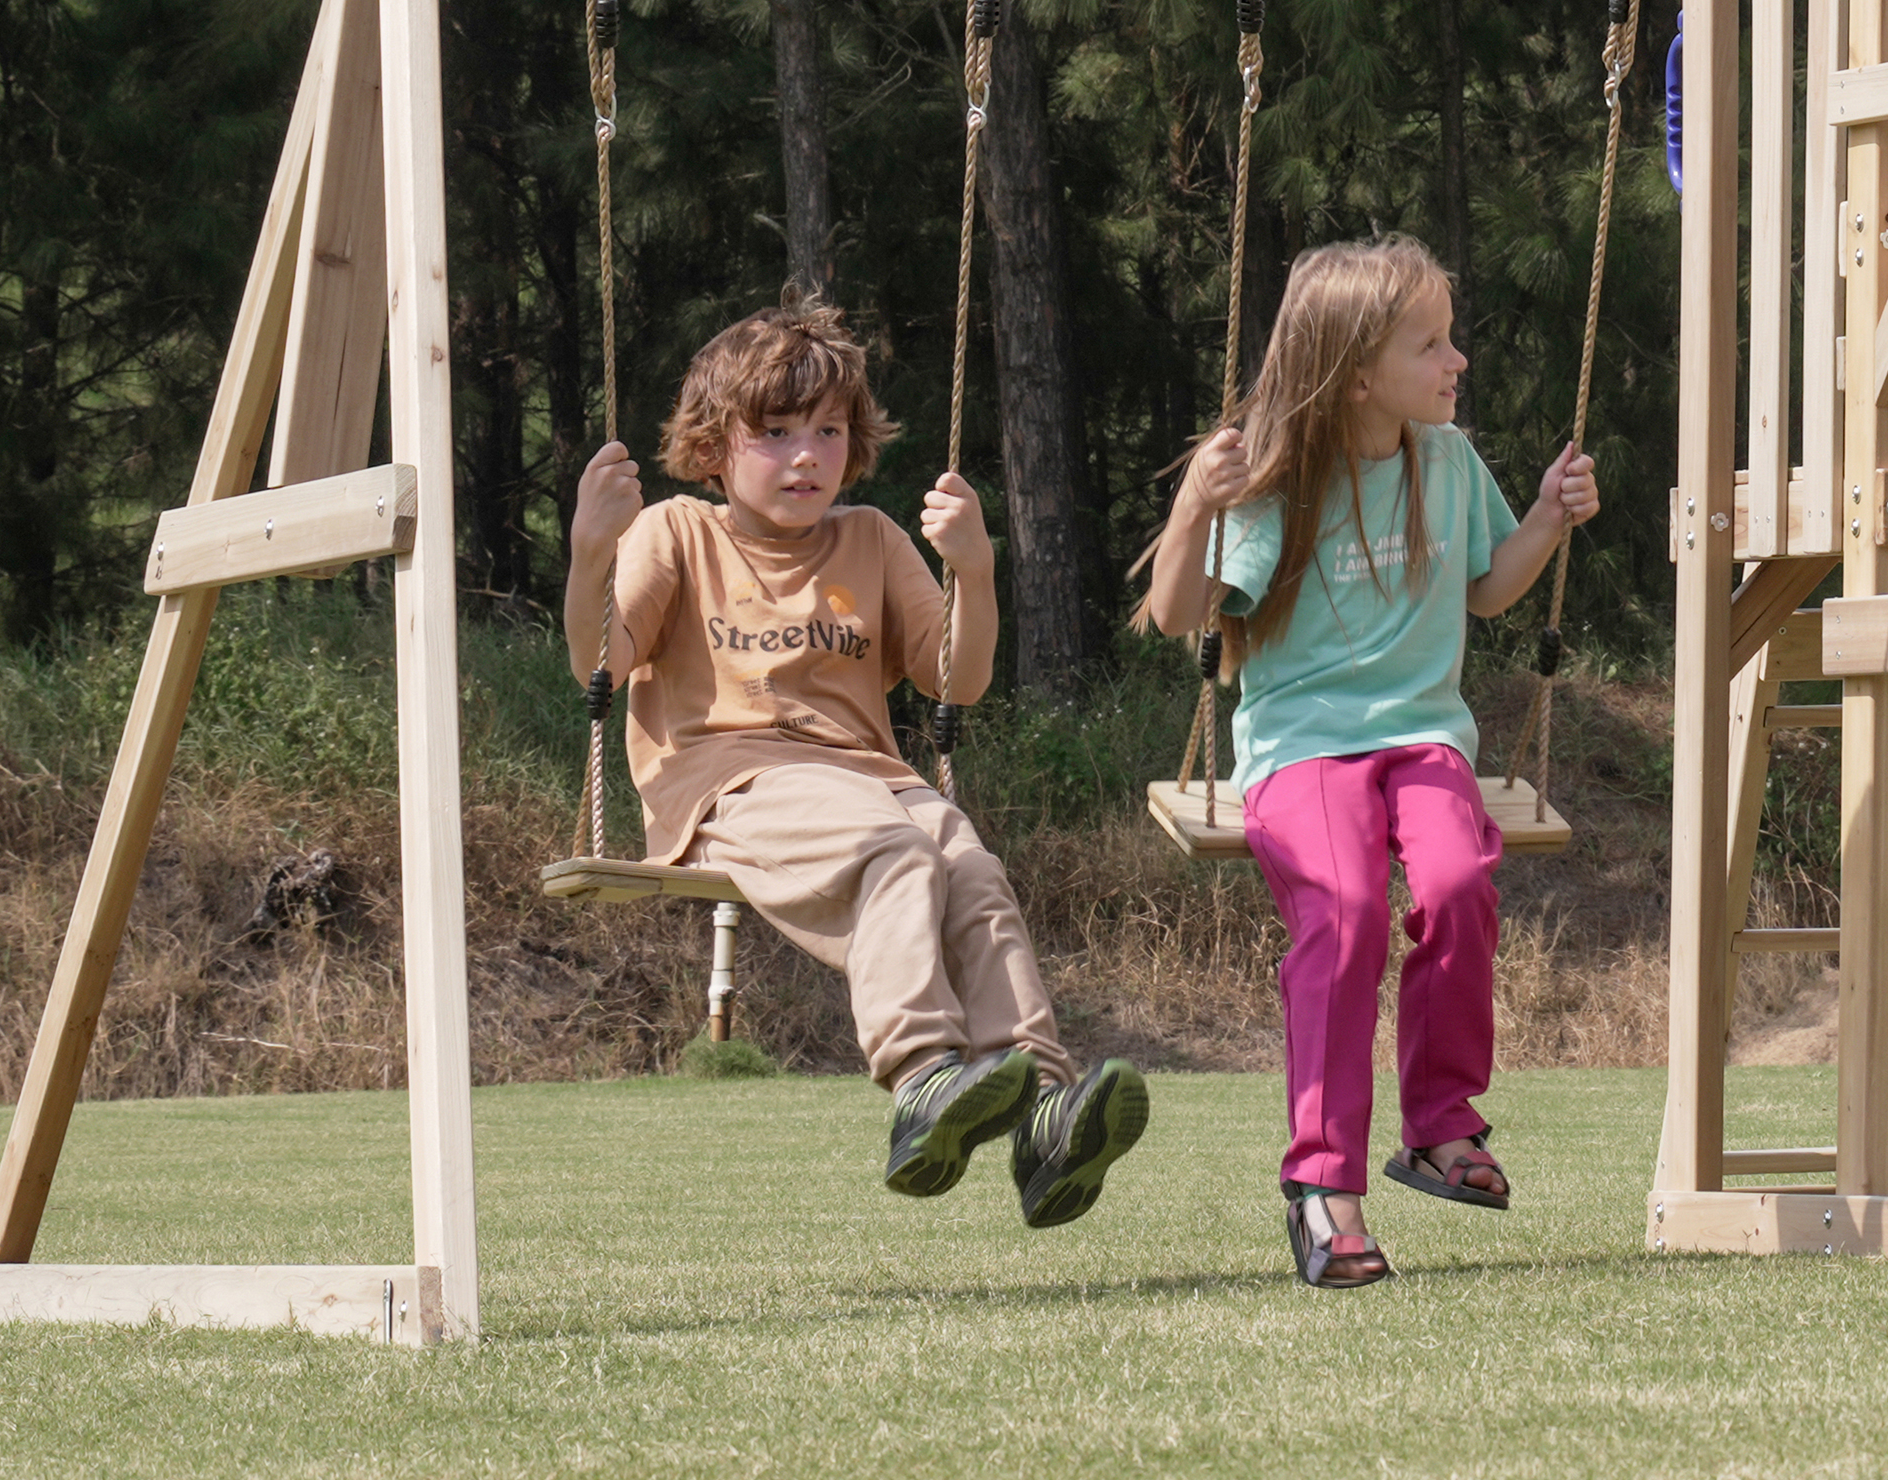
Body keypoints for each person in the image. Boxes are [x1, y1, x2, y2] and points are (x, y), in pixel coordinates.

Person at [566, 298, 1147, 1227]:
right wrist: (592, 550)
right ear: (715, 445)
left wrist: (977, 569)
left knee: (972, 870)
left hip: (874, 779)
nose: (807, 454)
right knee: (898, 849)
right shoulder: (677, 531)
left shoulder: (872, 537)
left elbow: (958, 679)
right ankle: (924, 1076)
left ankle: (1041, 1106)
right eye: (777, 432)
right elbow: (601, 661)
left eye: (828, 430)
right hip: (732, 781)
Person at [1138, 237, 1602, 1290]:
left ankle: (1438, 1127)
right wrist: (1195, 507)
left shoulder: (1445, 461)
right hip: (1300, 745)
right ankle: (1321, 1186)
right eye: (1429, 343)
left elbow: (1487, 591)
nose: (1457, 361)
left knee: (1454, 879)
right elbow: (1176, 616)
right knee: (1344, 915)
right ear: (1355, 372)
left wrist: (1542, 518)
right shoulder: (1279, 480)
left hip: (1422, 736)